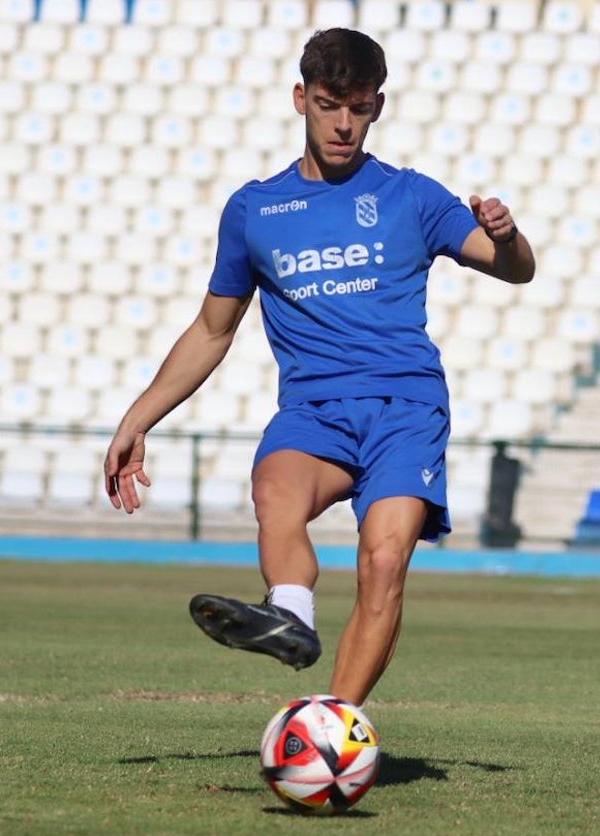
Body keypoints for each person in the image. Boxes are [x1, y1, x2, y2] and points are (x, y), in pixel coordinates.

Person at [104, 28, 535, 707]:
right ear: (301, 98)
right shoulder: (255, 210)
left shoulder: (412, 197)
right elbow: (214, 329)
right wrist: (136, 418)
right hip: (314, 414)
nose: (343, 124)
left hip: (405, 410)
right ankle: (291, 618)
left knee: (385, 562)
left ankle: (334, 723)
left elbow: (515, 271)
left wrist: (510, 238)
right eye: (330, 104)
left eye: (358, 108)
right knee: (274, 491)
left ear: (378, 108)